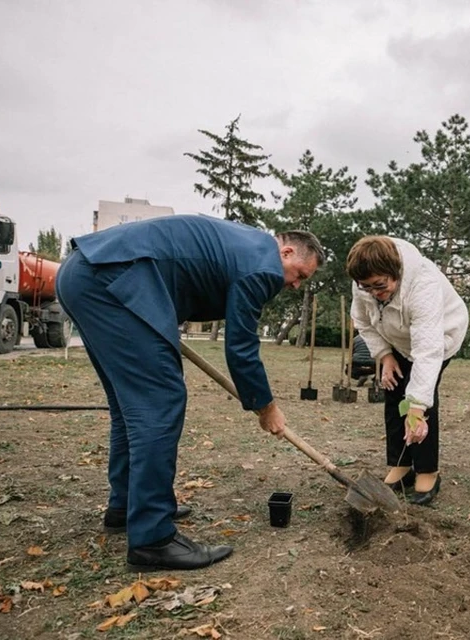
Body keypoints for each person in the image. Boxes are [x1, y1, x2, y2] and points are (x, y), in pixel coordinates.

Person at [56, 215, 324, 571]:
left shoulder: (248, 246)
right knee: (159, 402)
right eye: (299, 275)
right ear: (287, 251)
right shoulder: (263, 266)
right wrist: (266, 406)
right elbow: (241, 346)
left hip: (86, 274)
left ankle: (126, 507)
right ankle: (152, 538)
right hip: (112, 279)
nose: (293, 285)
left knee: (131, 408)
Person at [347, 236, 468, 506]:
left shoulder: (423, 284)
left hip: (440, 336)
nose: (374, 293)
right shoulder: (363, 283)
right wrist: (385, 355)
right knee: (394, 392)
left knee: (420, 402)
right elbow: (363, 322)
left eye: (381, 286)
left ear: (396, 273)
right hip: (397, 340)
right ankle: (401, 465)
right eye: (366, 287)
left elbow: (427, 351)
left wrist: (415, 406)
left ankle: (427, 471)